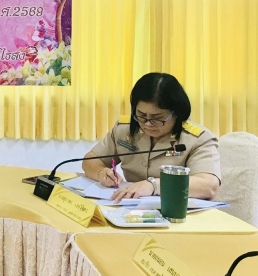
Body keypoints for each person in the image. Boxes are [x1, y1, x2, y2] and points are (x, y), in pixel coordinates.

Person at [82, 72, 221, 201]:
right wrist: (101, 173)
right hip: (129, 209)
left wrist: (154, 186)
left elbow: (209, 185)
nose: (148, 124)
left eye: (157, 118)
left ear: (176, 113)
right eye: (141, 115)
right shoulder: (124, 130)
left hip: (176, 210)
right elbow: (91, 160)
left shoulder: (198, 139)